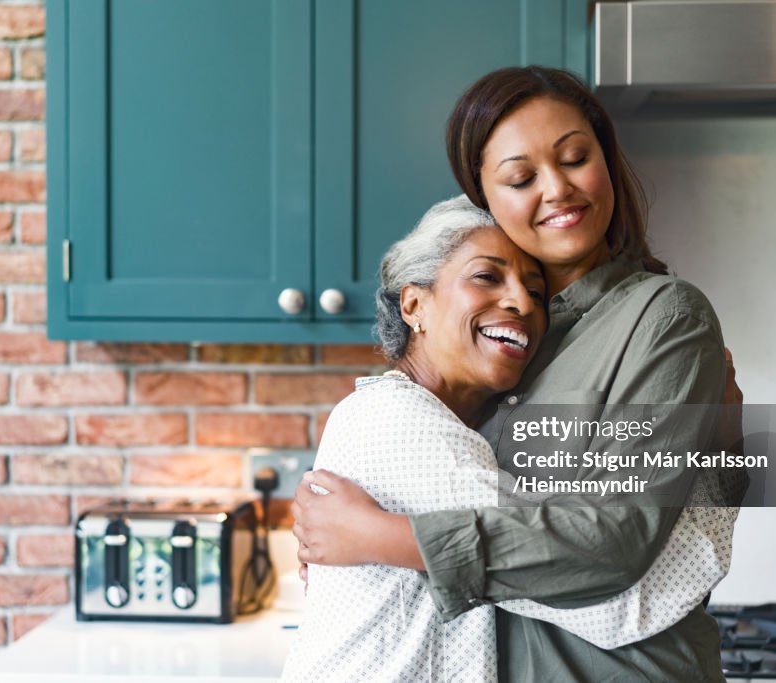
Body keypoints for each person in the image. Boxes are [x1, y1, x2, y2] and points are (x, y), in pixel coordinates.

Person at [292, 66, 746, 682]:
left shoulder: (662, 315)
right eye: (521, 177)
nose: (557, 189)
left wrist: (384, 538)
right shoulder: (499, 353)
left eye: (576, 158)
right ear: (487, 198)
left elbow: (614, 550)